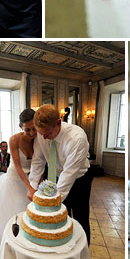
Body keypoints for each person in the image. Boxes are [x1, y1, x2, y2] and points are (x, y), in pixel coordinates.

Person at [0, 113, 37, 259]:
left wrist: (36, 184)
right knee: (11, 215)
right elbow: (18, 165)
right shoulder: (14, 139)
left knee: (30, 218)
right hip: (14, 180)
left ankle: (27, 255)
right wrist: (29, 187)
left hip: (32, 180)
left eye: (34, 128)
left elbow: (40, 162)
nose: (32, 133)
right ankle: (8, 257)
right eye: (27, 130)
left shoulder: (40, 138)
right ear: (21, 127)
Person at [28, 104, 93, 243]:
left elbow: (69, 174)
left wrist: (51, 202)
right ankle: (63, 251)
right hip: (55, 176)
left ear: (58, 123)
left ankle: (83, 256)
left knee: (80, 218)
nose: (44, 138)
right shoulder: (43, 134)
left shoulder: (76, 139)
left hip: (79, 180)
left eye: (48, 134)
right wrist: (32, 186)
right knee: (61, 219)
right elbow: (38, 160)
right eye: (41, 134)